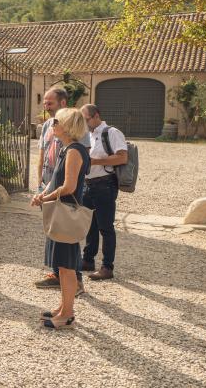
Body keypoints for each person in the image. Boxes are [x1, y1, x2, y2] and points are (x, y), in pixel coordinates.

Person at [30, 107, 91, 329]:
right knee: (64, 266)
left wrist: (46, 198)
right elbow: (56, 179)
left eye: (56, 121)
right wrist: (42, 194)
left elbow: (69, 187)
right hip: (60, 212)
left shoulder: (74, 151)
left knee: (67, 267)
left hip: (65, 213)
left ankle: (67, 315)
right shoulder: (68, 149)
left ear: (66, 126)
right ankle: (64, 308)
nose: (52, 124)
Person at [33, 87, 87, 295]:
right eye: (44, 102)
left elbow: (71, 180)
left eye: (50, 103)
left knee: (67, 241)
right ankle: (58, 277)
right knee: (53, 235)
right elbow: (44, 156)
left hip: (62, 195)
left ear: (63, 103)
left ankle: (75, 284)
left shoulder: (75, 144)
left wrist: (47, 194)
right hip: (49, 187)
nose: (46, 107)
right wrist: (41, 185)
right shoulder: (48, 126)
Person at [81, 104, 128, 281]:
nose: (84, 123)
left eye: (86, 119)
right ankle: (88, 260)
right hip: (89, 184)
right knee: (89, 225)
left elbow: (122, 157)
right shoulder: (88, 135)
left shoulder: (112, 133)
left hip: (105, 185)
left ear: (96, 116)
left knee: (105, 227)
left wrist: (94, 162)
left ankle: (107, 267)